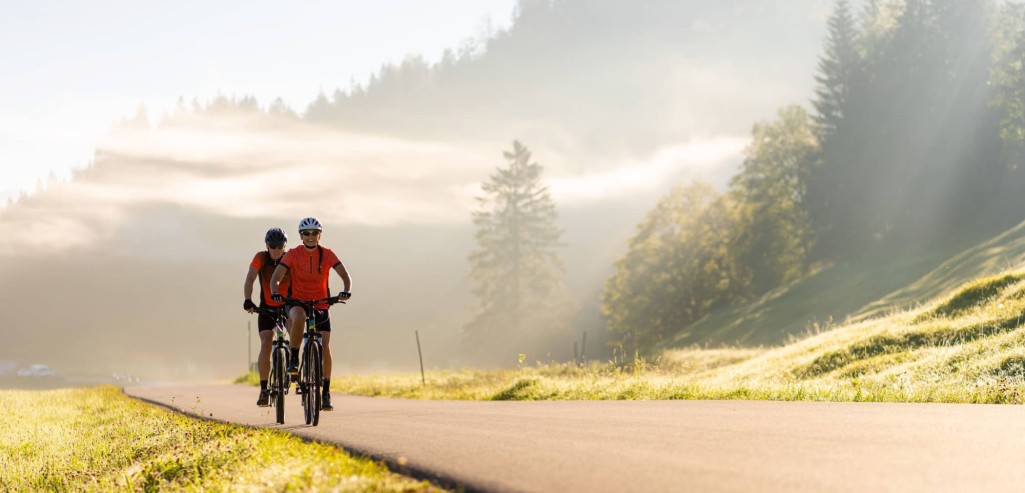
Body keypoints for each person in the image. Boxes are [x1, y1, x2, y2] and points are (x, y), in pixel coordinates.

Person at [269, 216, 351, 412]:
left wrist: (346, 290)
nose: (311, 236)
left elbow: (345, 276)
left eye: (314, 233)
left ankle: (326, 392)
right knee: (297, 316)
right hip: (297, 301)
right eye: (307, 233)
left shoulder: (328, 254)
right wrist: (275, 292)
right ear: (301, 236)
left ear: (320, 235)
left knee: (325, 346)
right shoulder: (294, 254)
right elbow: (276, 278)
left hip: (322, 303)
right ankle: (294, 358)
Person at [243, 227, 292, 407]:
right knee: (266, 342)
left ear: (285, 246)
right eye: (273, 246)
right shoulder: (261, 257)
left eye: (280, 247)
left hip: (287, 307)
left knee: (294, 331)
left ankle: (294, 363)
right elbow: (250, 279)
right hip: (267, 308)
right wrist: (248, 299)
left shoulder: (290, 258)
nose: (276, 250)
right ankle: (264, 390)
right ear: (267, 246)